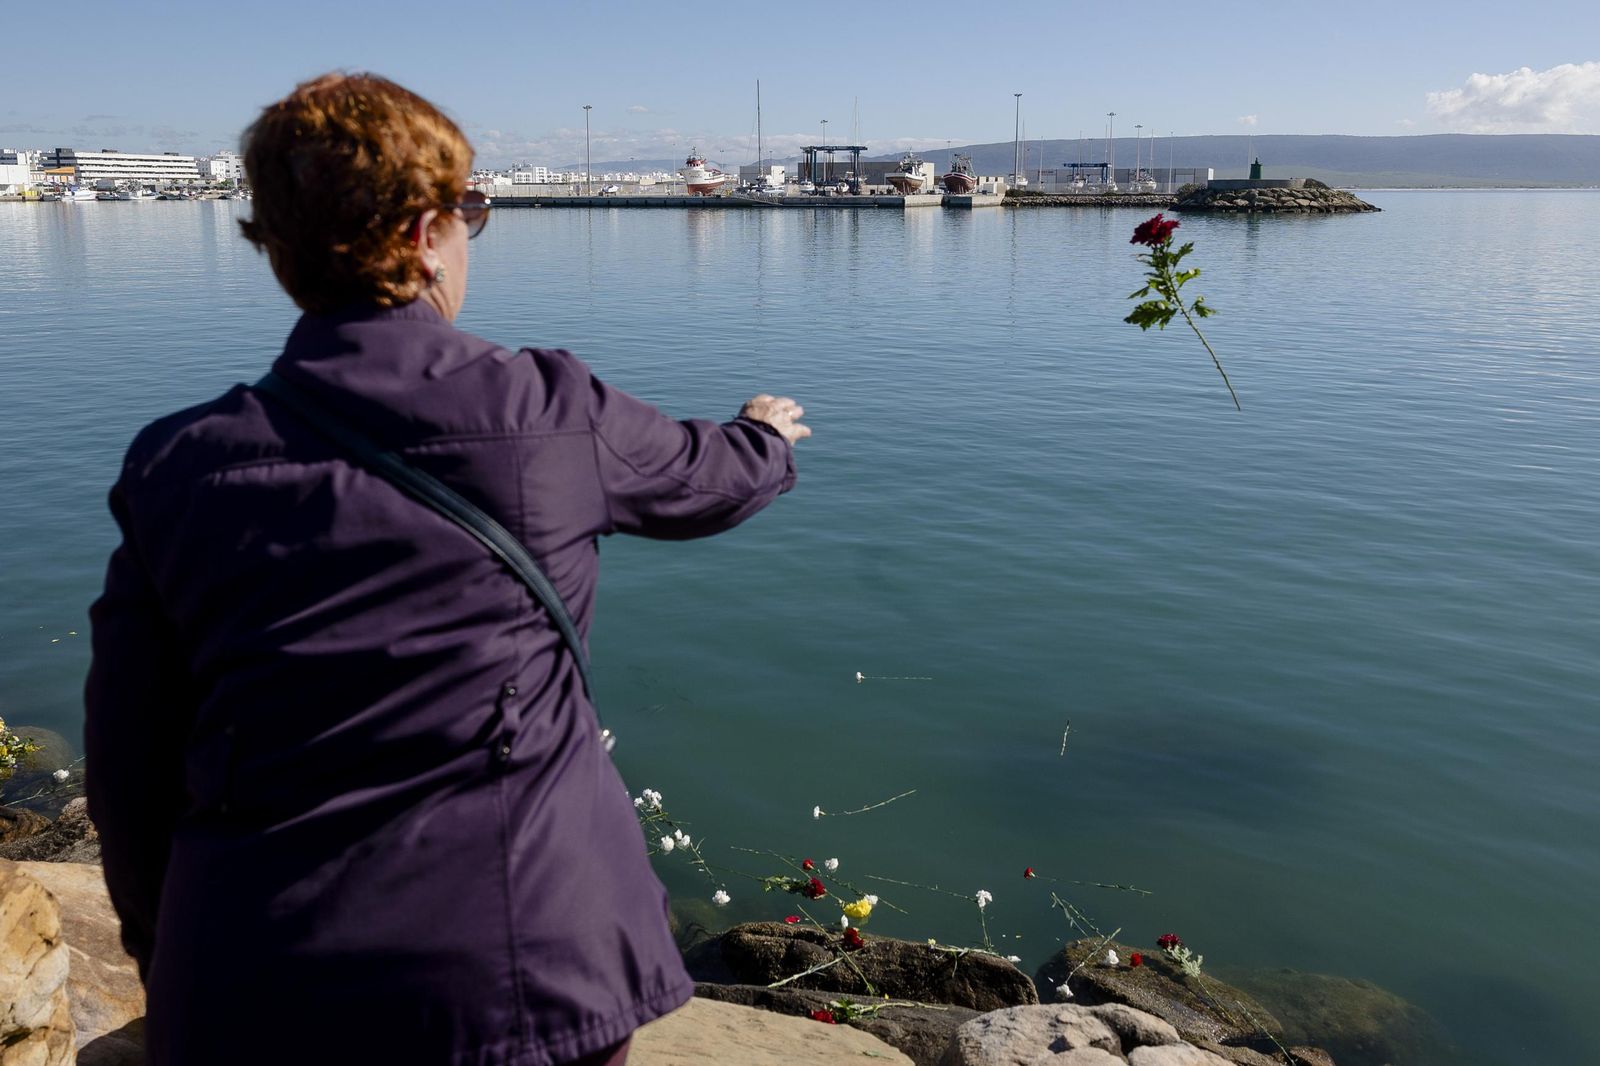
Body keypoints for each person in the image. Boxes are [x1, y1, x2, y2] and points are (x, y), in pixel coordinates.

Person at [84, 72, 808, 1066]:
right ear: (425, 232)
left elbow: (129, 754)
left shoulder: (179, 464)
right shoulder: (548, 412)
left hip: (255, 977)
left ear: (282, 249)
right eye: (471, 209)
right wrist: (764, 437)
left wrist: (165, 949)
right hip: (521, 976)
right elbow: (708, 481)